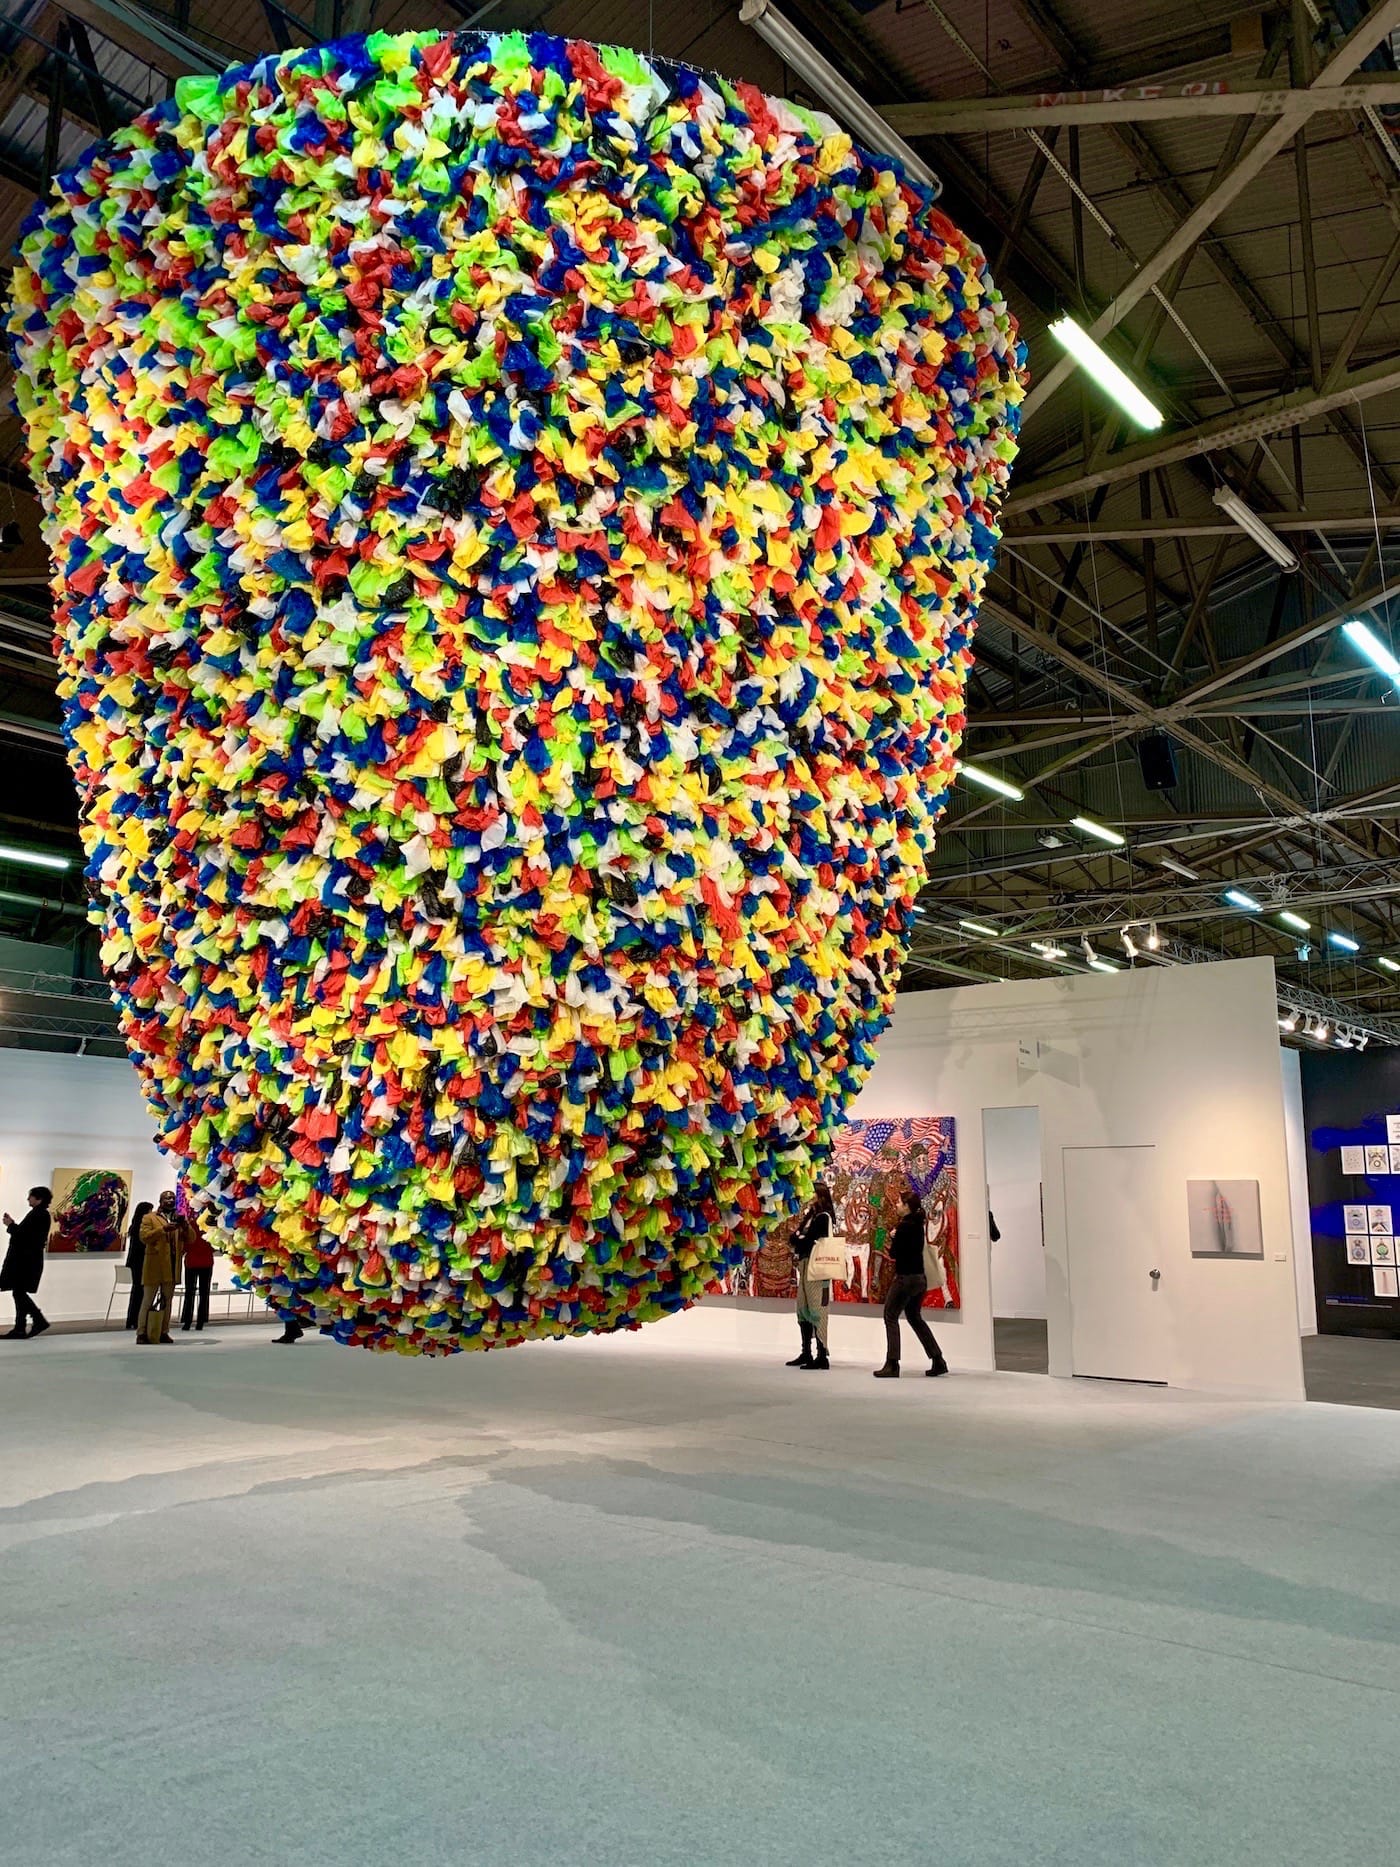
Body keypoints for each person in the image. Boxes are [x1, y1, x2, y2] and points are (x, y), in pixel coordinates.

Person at [874, 1181, 949, 1379]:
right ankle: (938, 1359)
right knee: (915, 1317)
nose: (896, 1205)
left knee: (890, 1316)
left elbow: (895, 1253)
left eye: (899, 1202)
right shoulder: (918, 1225)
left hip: (905, 1278)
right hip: (919, 1279)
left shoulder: (904, 1227)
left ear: (907, 1206)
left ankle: (892, 1364)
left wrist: (893, 1237)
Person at [786, 1180, 835, 1371]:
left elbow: (805, 1240)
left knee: (818, 1310)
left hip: (818, 1269)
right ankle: (806, 1352)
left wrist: (800, 1238)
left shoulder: (823, 1217)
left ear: (820, 1196)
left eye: (811, 1192)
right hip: (806, 1265)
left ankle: (822, 1355)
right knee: (803, 1308)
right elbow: (795, 1238)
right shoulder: (811, 1215)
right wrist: (800, 1238)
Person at [1, 1187, 53, 1339]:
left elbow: (25, 1237)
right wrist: (12, 1224)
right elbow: (27, 1235)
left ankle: (37, 1319)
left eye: (30, 1197)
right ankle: (21, 1327)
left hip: (26, 1261)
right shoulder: (39, 1214)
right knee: (18, 1292)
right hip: (27, 1260)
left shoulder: (39, 1214)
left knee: (18, 1292)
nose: (28, 1199)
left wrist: (11, 1225)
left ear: (39, 1199)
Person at [136, 1192, 179, 1345]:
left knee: (167, 1301)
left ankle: (163, 1332)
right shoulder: (149, 1218)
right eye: (167, 1198)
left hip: (171, 1266)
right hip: (154, 1264)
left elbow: (191, 1239)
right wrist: (163, 1229)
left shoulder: (177, 1218)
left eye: (173, 1198)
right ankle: (141, 1332)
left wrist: (185, 1226)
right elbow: (144, 1237)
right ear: (160, 1201)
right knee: (147, 1300)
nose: (170, 1200)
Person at [178, 1212, 214, 1332]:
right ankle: (201, 1321)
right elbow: (214, 1246)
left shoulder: (190, 1225)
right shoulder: (209, 1226)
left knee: (189, 1292)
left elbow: (185, 1246)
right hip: (206, 1262)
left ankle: (187, 1321)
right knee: (204, 1293)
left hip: (191, 1262)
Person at [124, 1201, 152, 1329]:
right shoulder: (141, 1228)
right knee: (140, 1291)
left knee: (136, 1291)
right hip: (141, 1261)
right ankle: (137, 1319)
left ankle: (132, 1318)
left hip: (134, 1261)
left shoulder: (134, 1226)